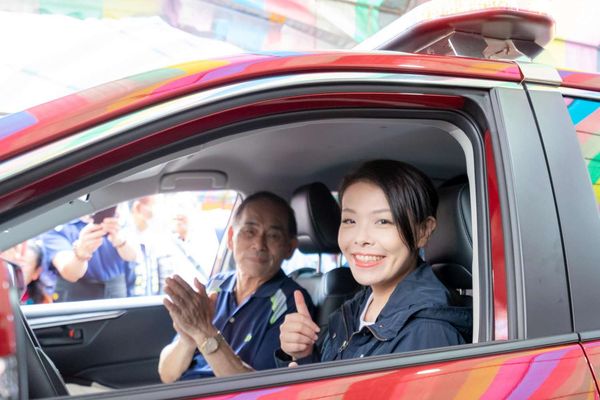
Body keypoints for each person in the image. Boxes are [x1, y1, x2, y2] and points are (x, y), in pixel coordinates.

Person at [279, 160, 472, 364]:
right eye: (350, 221)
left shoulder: (428, 334)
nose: (360, 238)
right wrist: (304, 356)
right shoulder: (358, 306)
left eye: (383, 221)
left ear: (423, 232)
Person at [158, 191, 315, 382]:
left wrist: (204, 332)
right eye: (250, 231)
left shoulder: (292, 302)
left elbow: (258, 389)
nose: (259, 244)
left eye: (273, 235)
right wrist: (188, 338)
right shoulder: (216, 284)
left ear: (289, 247)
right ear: (231, 237)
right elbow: (167, 375)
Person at [41, 213, 137, 301]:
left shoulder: (119, 217)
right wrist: (81, 254)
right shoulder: (58, 225)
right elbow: (68, 272)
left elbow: (133, 255)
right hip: (75, 296)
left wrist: (120, 240)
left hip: (115, 293)